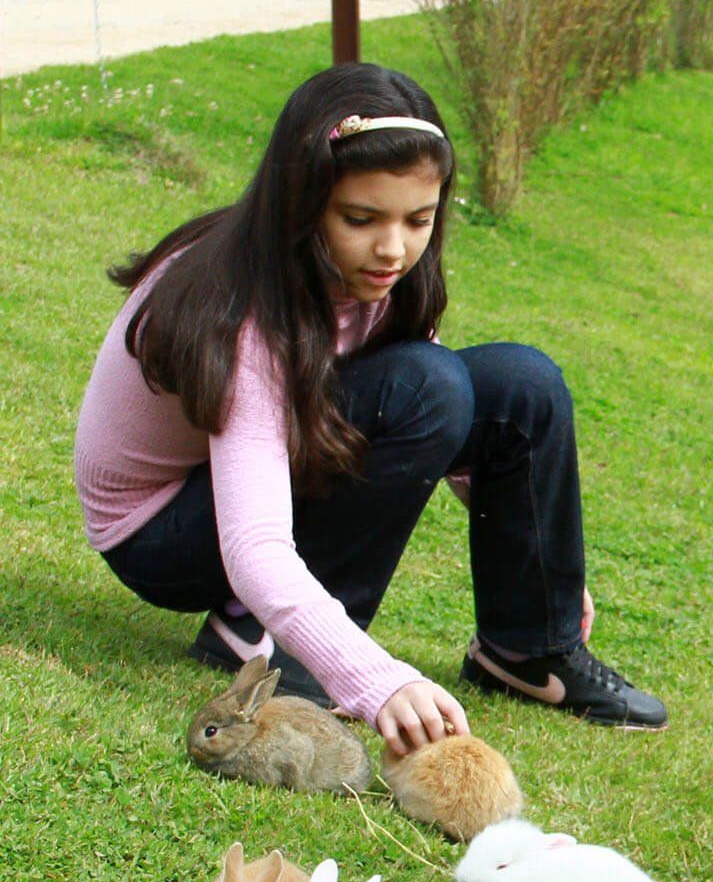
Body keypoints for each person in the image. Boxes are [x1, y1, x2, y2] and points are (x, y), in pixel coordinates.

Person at [74, 62, 667, 751]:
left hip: (285, 452)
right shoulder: (246, 308)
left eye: (418, 219)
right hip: (164, 533)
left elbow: (444, 413)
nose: (393, 248)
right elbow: (253, 545)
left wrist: (540, 570)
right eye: (361, 218)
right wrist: (374, 678)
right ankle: (274, 647)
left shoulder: (380, 273)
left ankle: (527, 649)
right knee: (425, 383)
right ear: (303, 204)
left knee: (519, 383)